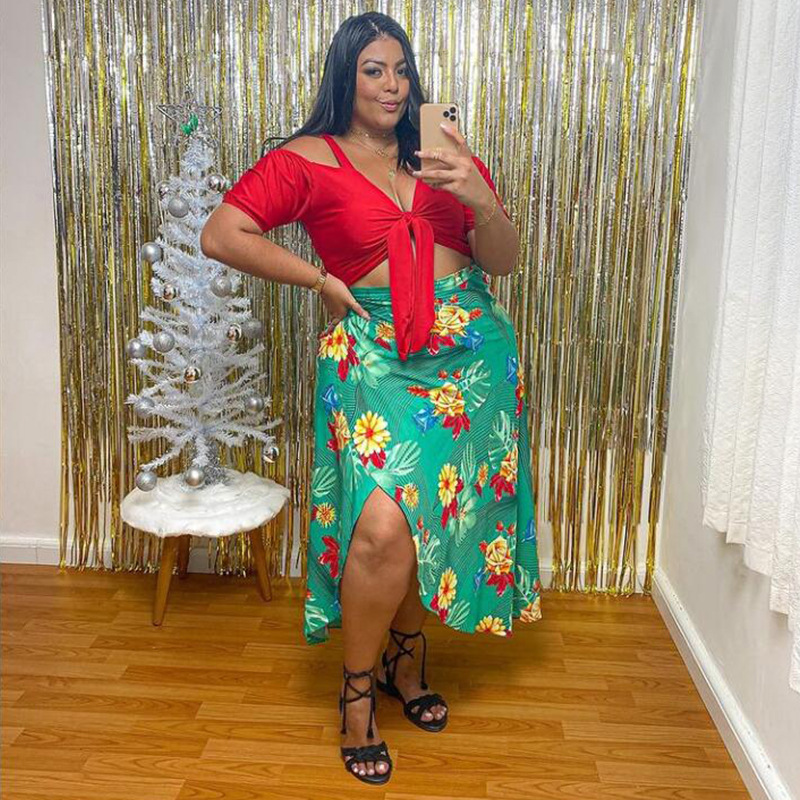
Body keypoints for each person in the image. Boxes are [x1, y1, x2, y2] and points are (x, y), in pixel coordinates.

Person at [201, 10, 542, 786]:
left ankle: (405, 660)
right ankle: (357, 691)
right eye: (374, 71)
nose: (393, 85)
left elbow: (503, 260)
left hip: (472, 360)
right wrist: (319, 279)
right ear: (345, 78)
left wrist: (483, 201)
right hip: (376, 352)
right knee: (383, 525)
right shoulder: (306, 159)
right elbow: (222, 234)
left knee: (434, 515)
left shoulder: (442, 151)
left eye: (401, 69)